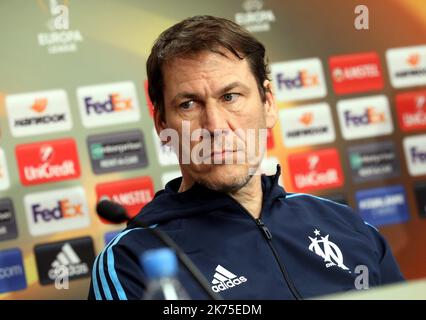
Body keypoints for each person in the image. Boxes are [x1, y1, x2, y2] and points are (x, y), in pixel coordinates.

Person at [88, 15, 404, 300]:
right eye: (189, 104)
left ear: (268, 104)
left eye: (230, 97)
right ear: (162, 123)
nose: (215, 126)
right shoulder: (132, 259)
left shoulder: (346, 225)